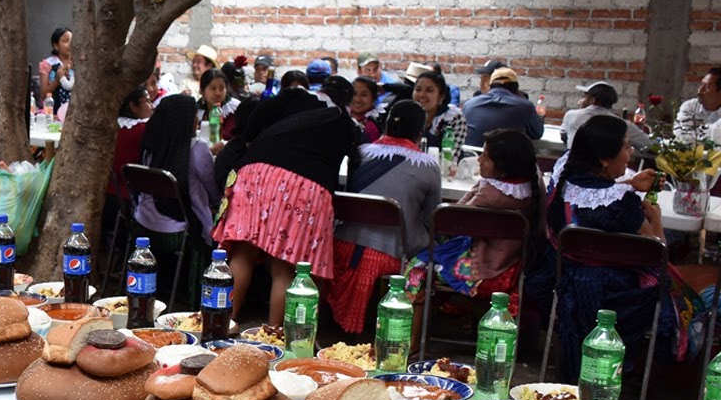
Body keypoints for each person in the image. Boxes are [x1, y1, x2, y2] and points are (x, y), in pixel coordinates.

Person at [538, 115, 700, 383]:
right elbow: (657, 253)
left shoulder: (564, 174)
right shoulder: (622, 205)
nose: (631, 152)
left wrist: (628, 183)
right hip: (615, 295)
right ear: (604, 159)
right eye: (626, 147)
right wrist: (655, 218)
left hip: (564, 280)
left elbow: (590, 195)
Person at [212, 78, 360, 326]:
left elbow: (260, 111)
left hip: (255, 173)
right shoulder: (347, 126)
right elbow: (353, 167)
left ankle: (222, 325)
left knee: (242, 254)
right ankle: (274, 337)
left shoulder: (297, 96)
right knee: (284, 268)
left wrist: (249, 140)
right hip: (303, 187)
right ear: (346, 102)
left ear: (320, 89)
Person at [328, 100, 441, 334]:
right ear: (420, 133)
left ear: (386, 125)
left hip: (340, 246)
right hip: (392, 253)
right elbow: (433, 218)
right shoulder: (428, 166)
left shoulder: (360, 152)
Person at [405, 129, 541, 311]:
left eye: (485, 157)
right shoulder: (531, 186)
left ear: (502, 167)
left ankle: (413, 333)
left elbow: (449, 220)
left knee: (417, 264)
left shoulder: (490, 194)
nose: (479, 160)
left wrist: (479, 186)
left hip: (486, 270)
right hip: (516, 265)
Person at [132, 94, 220, 300]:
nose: (198, 119)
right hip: (179, 229)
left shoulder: (150, 146)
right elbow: (214, 192)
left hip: (143, 221)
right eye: (194, 115)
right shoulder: (197, 150)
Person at [461, 67, 543, 146]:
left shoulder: (469, 104)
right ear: (516, 87)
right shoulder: (525, 107)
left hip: (472, 158)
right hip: (506, 159)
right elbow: (537, 134)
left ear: (490, 85)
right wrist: (540, 116)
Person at [561, 81, 649, 149]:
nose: (579, 101)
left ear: (592, 100)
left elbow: (564, 136)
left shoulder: (571, 115)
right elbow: (649, 144)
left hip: (571, 168)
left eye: (584, 97)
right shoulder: (622, 124)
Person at [412, 70, 467, 161]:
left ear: (441, 97)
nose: (421, 95)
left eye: (429, 90)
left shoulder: (453, 119)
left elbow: (450, 157)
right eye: (418, 90)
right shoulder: (407, 115)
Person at [111, 86, 152, 200]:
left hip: (110, 189)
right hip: (132, 193)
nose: (152, 106)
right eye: (147, 101)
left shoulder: (112, 126)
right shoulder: (144, 129)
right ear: (133, 106)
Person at [677, 67, 721, 137]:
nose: (700, 90)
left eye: (707, 87)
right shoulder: (690, 106)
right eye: (702, 84)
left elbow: (717, 137)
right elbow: (681, 134)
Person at [39, 27, 74, 112]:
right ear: (56, 45)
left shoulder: (80, 63)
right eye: (66, 41)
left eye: (72, 41)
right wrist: (57, 79)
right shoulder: (48, 64)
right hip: (54, 111)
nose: (70, 44)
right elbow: (44, 95)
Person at [198, 69, 239, 142]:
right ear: (202, 91)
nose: (218, 93)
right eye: (213, 88)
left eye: (222, 88)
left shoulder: (233, 110)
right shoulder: (196, 112)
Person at [349, 76, 383, 143]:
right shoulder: (339, 114)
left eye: (364, 95)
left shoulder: (371, 127)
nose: (357, 99)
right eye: (354, 94)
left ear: (373, 99)